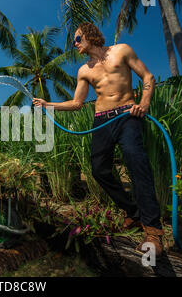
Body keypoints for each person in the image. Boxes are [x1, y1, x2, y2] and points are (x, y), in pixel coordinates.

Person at [33, 22, 165, 256]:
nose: (75, 44)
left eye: (77, 38)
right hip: (101, 120)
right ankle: (132, 213)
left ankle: (153, 231)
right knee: (98, 170)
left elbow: (148, 76)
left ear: (89, 35)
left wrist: (143, 104)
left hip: (127, 115)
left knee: (137, 165)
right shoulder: (85, 70)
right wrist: (47, 104)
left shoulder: (122, 50)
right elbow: (76, 104)